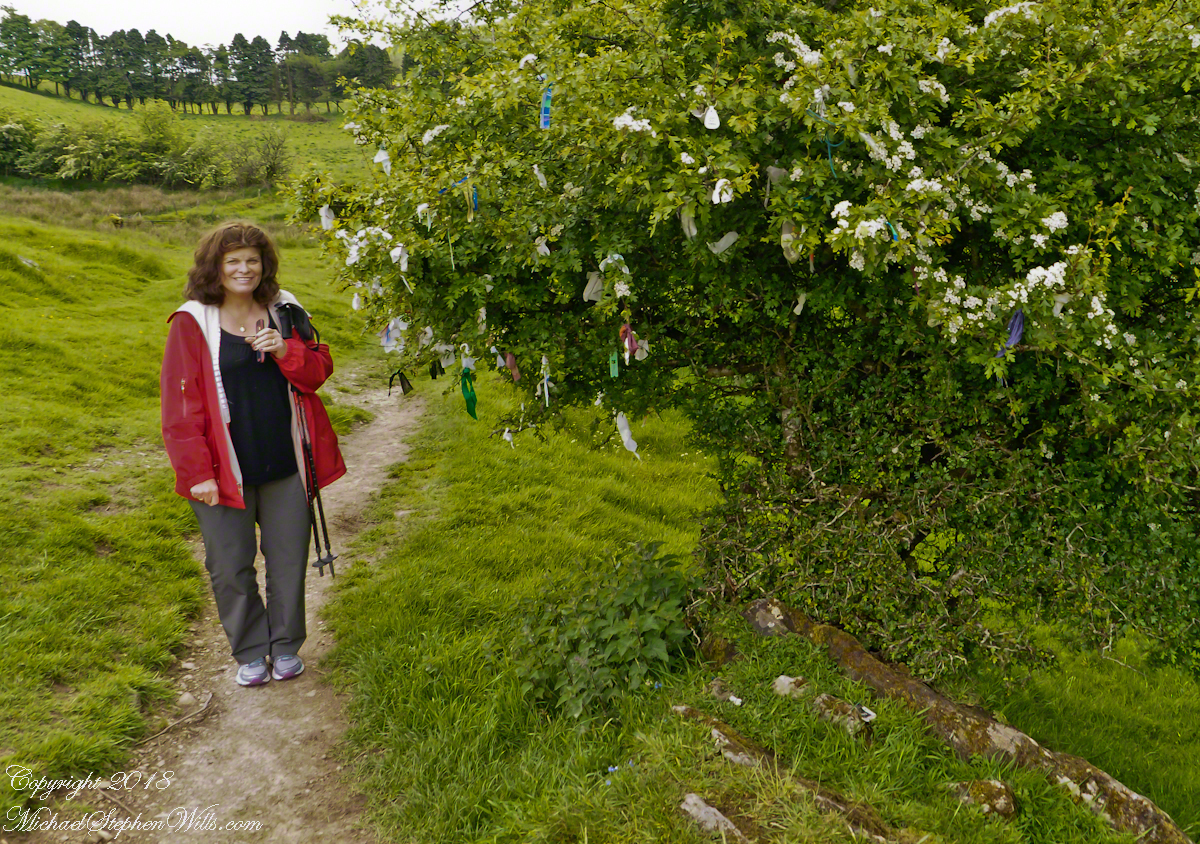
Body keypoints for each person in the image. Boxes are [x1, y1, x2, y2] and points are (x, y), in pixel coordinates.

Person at [160, 221, 346, 686]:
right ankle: (248, 650)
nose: (243, 269)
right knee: (229, 565)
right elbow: (179, 405)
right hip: (224, 470)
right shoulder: (192, 322)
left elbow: (318, 370)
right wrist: (196, 471)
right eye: (232, 261)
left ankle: (284, 646)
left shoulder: (285, 309)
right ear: (215, 268)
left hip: (286, 463)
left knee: (287, 559)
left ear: (264, 265)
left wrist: (286, 350)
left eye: (251, 260)